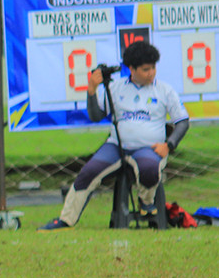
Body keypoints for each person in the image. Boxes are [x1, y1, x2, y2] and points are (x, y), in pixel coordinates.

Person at [40, 41, 189, 231]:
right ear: (132, 69)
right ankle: (65, 220)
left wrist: (169, 145)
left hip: (150, 148)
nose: (151, 73)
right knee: (87, 173)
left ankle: (147, 203)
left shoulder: (164, 90)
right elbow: (95, 116)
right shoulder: (115, 88)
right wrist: (92, 90)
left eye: (153, 68)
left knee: (149, 167)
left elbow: (183, 122)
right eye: (145, 69)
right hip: (116, 146)